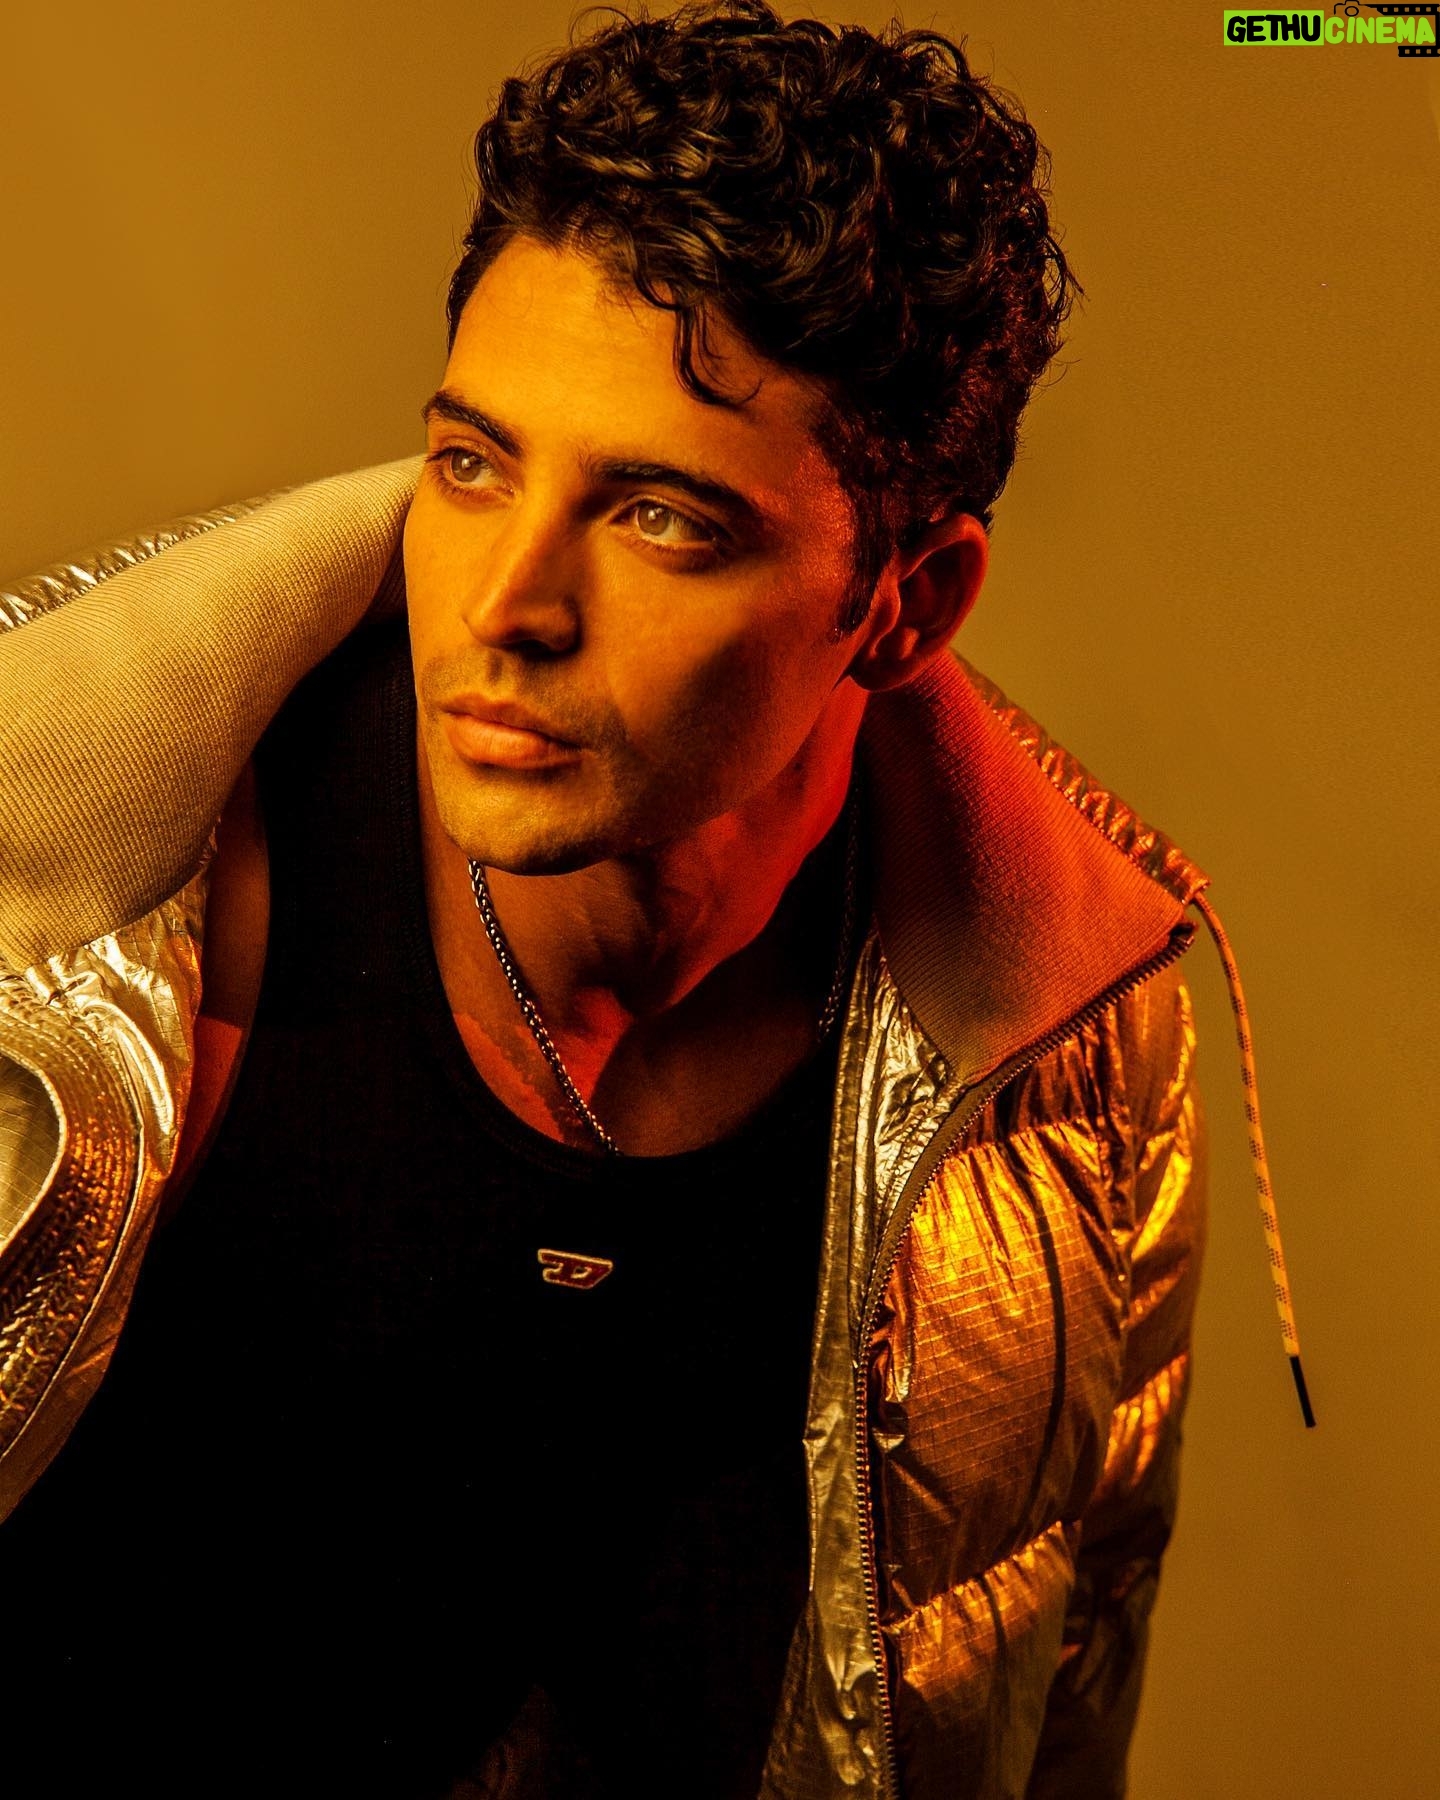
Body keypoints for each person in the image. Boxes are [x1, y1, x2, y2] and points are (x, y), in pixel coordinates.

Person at [0, 3, 1307, 1794]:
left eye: (662, 518)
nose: (505, 605)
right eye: (473, 464)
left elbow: (1066, 1677)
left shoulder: (1071, 1038)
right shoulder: (96, 919)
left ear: (907, 604)